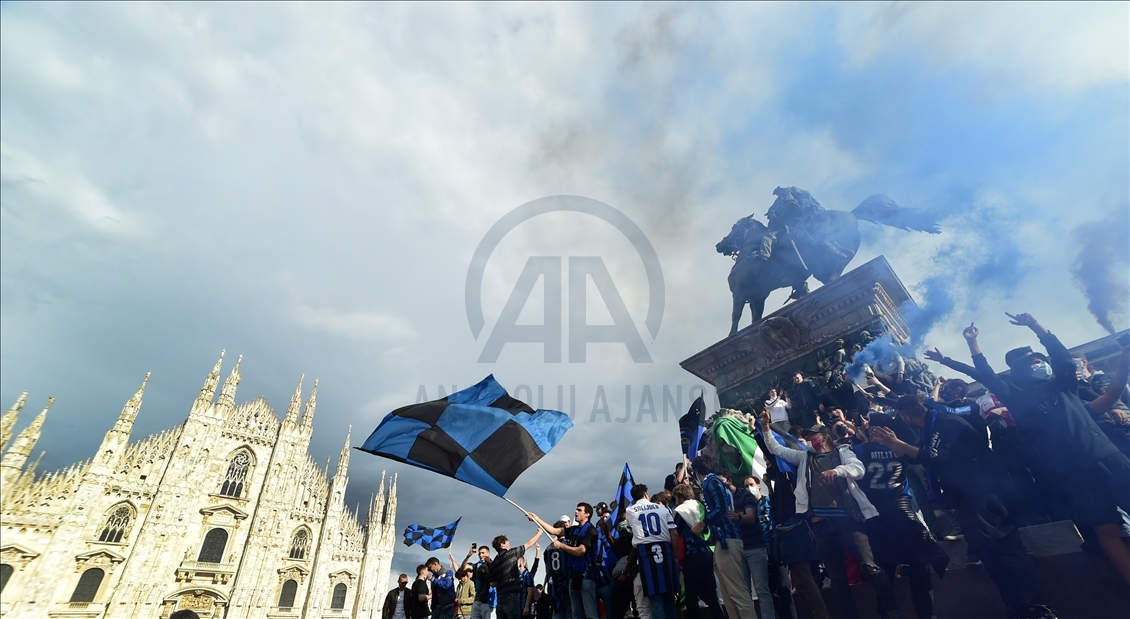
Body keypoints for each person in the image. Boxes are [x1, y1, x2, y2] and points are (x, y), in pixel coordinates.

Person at [952, 315, 1130, 585]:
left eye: (1041, 360)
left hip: (1108, 457)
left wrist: (1036, 326)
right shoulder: (1018, 399)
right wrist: (972, 343)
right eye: (1034, 362)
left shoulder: (1065, 386)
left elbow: (1062, 357)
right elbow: (985, 374)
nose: (1041, 364)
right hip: (1077, 475)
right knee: (1106, 530)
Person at [874, 394, 1056, 619]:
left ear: (906, 417)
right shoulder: (930, 427)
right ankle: (1018, 608)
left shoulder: (945, 423)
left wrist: (898, 443)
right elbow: (918, 456)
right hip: (966, 498)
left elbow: (936, 457)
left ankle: (1037, 607)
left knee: (1006, 552)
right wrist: (893, 444)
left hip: (985, 496)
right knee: (990, 555)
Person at [758, 411, 906, 619]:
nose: (809, 439)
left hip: (848, 522)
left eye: (812, 436)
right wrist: (765, 427)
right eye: (807, 437)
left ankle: (894, 613)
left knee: (872, 568)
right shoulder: (804, 457)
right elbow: (776, 449)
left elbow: (858, 469)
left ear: (824, 437)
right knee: (838, 580)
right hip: (821, 527)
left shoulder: (842, 452)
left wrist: (838, 471)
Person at [854, 413, 950, 619]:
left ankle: (887, 614)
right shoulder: (900, 448)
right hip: (904, 513)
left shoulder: (859, 450)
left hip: (876, 516)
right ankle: (927, 614)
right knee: (918, 566)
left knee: (884, 569)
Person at [691, 453, 757, 619]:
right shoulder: (716, 482)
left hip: (728, 539)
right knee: (728, 594)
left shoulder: (711, 482)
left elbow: (721, 509)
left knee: (737, 591)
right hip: (723, 540)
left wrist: (702, 524)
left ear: (697, 470)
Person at [527, 505, 601, 619]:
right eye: (576, 509)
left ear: (587, 514)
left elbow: (581, 551)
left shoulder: (591, 531)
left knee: (590, 612)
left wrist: (561, 546)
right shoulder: (574, 530)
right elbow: (554, 530)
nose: (576, 512)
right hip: (573, 576)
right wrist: (536, 519)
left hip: (586, 575)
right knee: (576, 614)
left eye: (579, 510)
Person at [625, 484, 681, 619]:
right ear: (646, 494)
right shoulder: (661, 508)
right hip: (665, 552)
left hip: (646, 555)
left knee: (655, 601)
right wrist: (675, 556)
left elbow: (631, 532)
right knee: (669, 600)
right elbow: (674, 534)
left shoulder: (630, 511)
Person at [671, 483, 725, 619]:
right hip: (707, 551)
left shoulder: (681, 510)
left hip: (692, 554)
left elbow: (675, 531)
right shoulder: (700, 505)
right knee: (711, 593)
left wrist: (675, 554)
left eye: (676, 497)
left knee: (692, 595)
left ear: (680, 496)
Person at [733, 475, 776, 619]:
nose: (748, 488)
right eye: (745, 486)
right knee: (745, 591)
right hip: (742, 548)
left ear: (758, 485)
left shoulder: (766, 501)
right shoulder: (738, 503)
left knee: (762, 588)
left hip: (760, 547)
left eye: (751, 484)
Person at [490, 529, 544, 619]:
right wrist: (539, 533)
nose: (509, 543)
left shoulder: (494, 563)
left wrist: (503, 579)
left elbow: (492, 583)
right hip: (512, 596)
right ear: (502, 544)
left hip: (500, 597)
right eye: (507, 541)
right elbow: (530, 544)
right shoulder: (513, 553)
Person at [542, 523, 572, 619]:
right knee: (569, 612)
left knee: (557, 612)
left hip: (555, 584)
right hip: (567, 582)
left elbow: (547, 571)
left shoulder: (547, 549)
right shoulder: (569, 545)